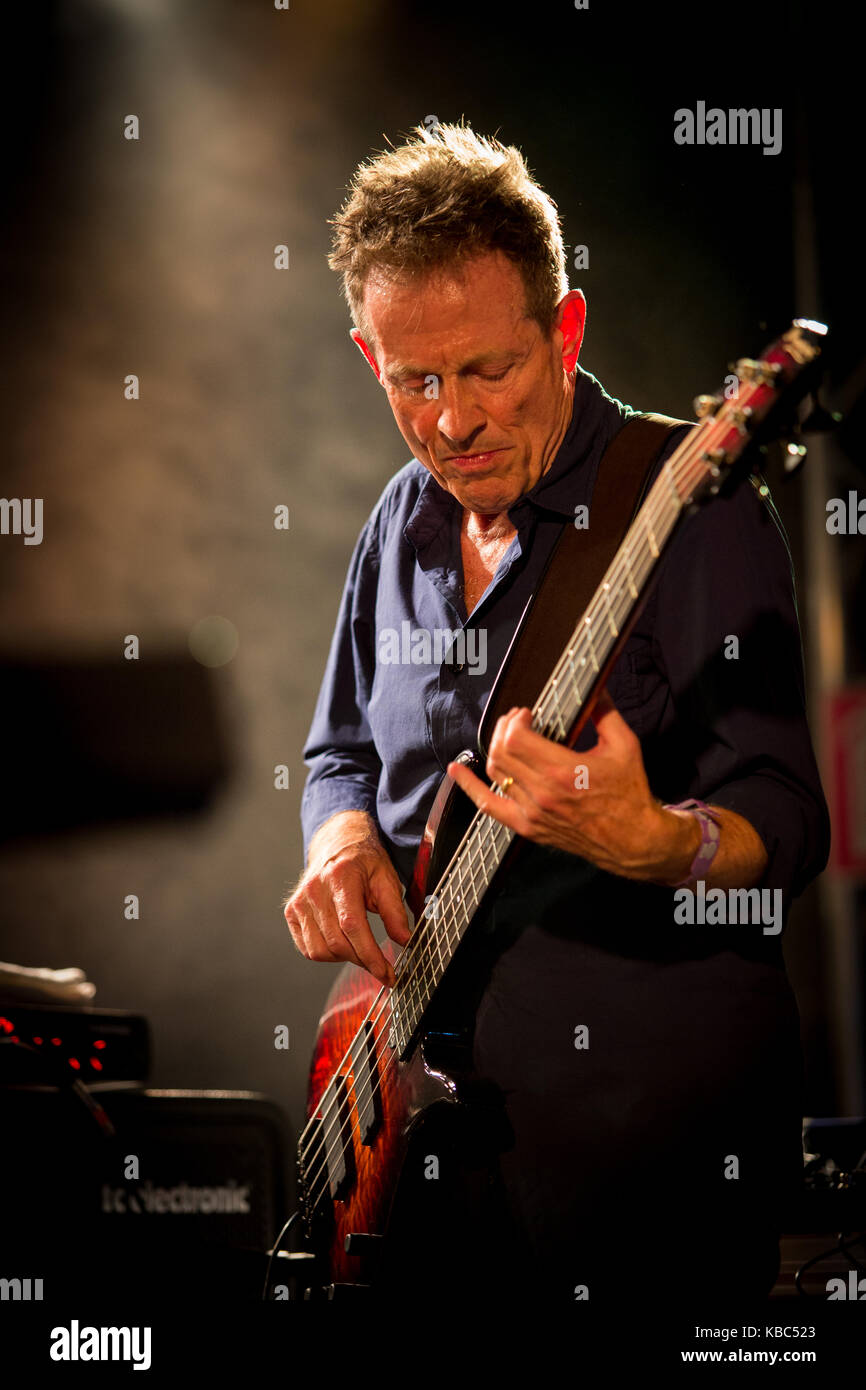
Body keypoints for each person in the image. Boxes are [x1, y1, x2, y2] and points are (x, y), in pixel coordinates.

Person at [283, 122, 830, 1308]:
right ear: (365, 354)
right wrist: (336, 839)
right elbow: (338, 752)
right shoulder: (398, 522)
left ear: (564, 329)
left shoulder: (690, 505)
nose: (452, 422)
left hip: (641, 1154)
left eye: (489, 370)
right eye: (410, 381)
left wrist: (654, 840)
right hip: (427, 1158)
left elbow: (786, 826)